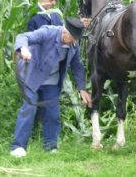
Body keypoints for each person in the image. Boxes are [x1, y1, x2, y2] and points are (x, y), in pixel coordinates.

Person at [10, 18, 92, 157]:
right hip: (32, 76)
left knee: (53, 113)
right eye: (73, 39)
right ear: (65, 32)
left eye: (77, 39)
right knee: (29, 109)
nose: (75, 42)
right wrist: (23, 49)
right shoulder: (47, 32)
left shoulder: (73, 44)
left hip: (51, 81)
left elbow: (77, 66)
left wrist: (82, 88)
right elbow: (23, 37)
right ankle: (18, 147)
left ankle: (50, 146)